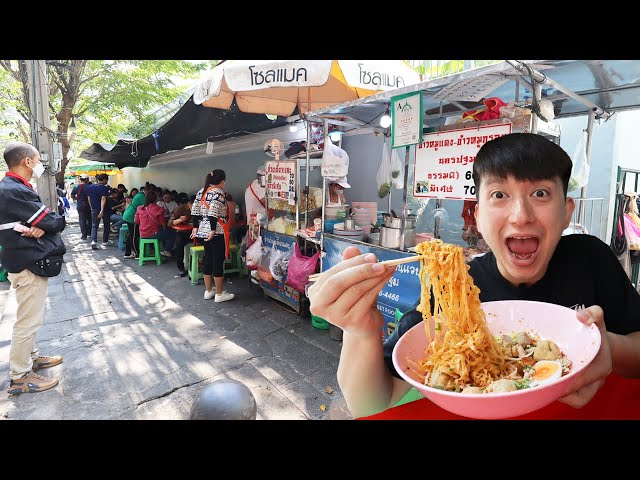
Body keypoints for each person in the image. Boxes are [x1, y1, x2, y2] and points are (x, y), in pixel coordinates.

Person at [308, 132, 640, 419]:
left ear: (566, 212)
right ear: (478, 218)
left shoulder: (590, 257)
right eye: (499, 195)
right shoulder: (454, 289)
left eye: (540, 193)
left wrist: (603, 345)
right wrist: (360, 332)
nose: (521, 215)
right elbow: (372, 403)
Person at [0, 141, 66, 394]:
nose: (39, 165)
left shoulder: (12, 188)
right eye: (37, 160)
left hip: (23, 259)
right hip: (27, 263)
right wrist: (48, 223)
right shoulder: (14, 190)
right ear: (27, 161)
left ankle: (31, 357)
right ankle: (20, 376)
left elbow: (43, 221)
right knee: (28, 321)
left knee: (29, 317)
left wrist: (43, 224)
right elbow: (52, 220)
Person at [191, 169, 234, 303]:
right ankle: (220, 294)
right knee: (217, 262)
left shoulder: (201, 191)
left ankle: (209, 291)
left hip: (203, 230)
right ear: (222, 181)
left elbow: (195, 211)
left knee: (208, 260)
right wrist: (213, 230)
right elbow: (213, 212)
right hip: (216, 231)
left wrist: (195, 227)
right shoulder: (218, 193)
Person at [134, 189, 175, 257]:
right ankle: (166, 250)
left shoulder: (140, 208)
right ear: (155, 199)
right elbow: (163, 225)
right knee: (172, 234)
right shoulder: (158, 209)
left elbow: (136, 221)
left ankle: (156, 249)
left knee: (164, 234)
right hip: (153, 233)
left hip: (142, 234)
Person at [169, 192, 194, 277]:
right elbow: (170, 223)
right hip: (183, 233)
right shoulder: (180, 209)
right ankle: (181, 268)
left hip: (196, 232)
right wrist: (179, 220)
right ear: (188, 204)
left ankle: (203, 266)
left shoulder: (201, 209)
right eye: (193, 206)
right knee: (179, 244)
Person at [86, 173, 112, 250]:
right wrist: (102, 210)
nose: (107, 181)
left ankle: (93, 241)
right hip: (104, 210)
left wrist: (91, 207)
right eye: (107, 180)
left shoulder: (90, 187)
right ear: (104, 180)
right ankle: (105, 241)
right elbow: (103, 199)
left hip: (94, 209)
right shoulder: (104, 188)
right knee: (106, 225)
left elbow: (89, 198)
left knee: (94, 225)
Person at [122, 186, 147, 259]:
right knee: (134, 236)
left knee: (131, 235)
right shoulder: (142, 196)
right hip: (132, 217)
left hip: (129, 215)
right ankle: (137, 254)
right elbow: (146, 207)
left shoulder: (140, 195)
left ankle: (128, 253)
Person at [70, 174, 91, 239]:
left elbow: (72, 195)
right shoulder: (89, 187)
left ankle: (84, 235)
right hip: (88, 205)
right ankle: (89, 233)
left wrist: (77, 199)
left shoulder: (76, 187)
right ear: (87, 179)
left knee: (82, 220)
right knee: (90, 219)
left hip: (80, 205)